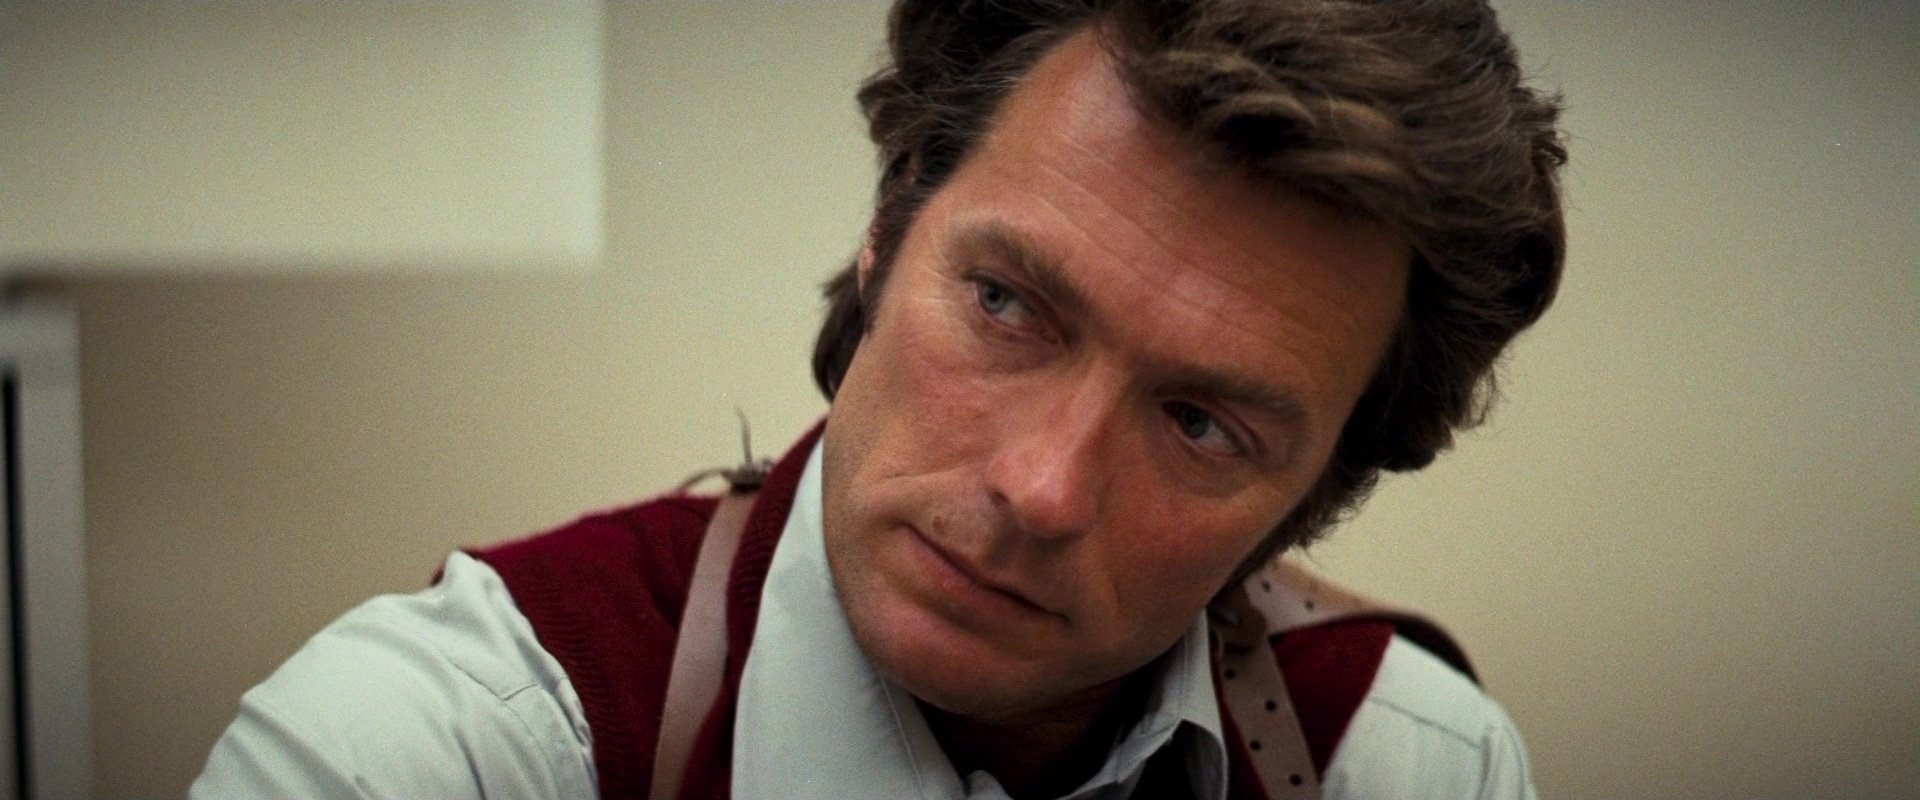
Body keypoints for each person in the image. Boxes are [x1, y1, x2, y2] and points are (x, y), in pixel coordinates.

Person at [192, 1, 1565, 798]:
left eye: (1201, 425)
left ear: (1316, 493)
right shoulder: (439, 749)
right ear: (889, 221)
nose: (1041, 489)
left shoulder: (1411, 766)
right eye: (1009, 305)